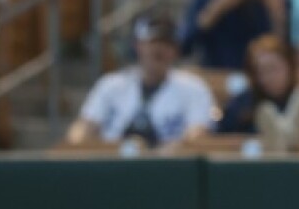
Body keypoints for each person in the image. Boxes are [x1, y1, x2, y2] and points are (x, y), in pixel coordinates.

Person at [66, 13, 213, 150]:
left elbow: (197, 134)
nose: (159, 49)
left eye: (167, 44)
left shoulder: (193, 88)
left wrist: (158, 153)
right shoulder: (110, 85)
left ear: (175, 50)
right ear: (138, 45)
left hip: (167, 168)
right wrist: (77, 144)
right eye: (153, 42)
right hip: (112, 165)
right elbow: (83, 128)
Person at [216, 34, 299, 153]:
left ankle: (286, 134)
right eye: (261, 71)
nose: (268, 77)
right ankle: (283, 134)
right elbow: (220, 138)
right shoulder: (242, 103)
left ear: (290, 67)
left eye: (273, 69)